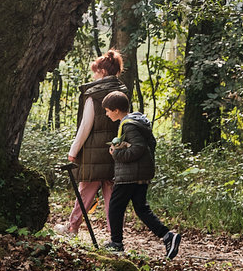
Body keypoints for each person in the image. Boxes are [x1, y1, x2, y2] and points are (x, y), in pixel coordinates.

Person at [102, 89, 181, 260]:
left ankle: (116, 243)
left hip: (130, 174)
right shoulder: (138, 122)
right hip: (140, 173)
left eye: (107, 111)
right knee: (141, 208)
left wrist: (116, 153)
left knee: (115, 206)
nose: (107, 114)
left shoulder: (129, 125)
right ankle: (168, 236)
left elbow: (138, 148)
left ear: (116, 110)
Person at [62, 49, 127, 238]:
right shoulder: (123, 92)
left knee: (85, 193)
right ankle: (115, 235)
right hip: (116, 151)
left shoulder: (94, 94)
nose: (93, 76)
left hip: (92, 153)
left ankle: (72, 227)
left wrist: (73, 150)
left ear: (103, 72)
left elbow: (85, 126)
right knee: (113, 197)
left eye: (95, 71)